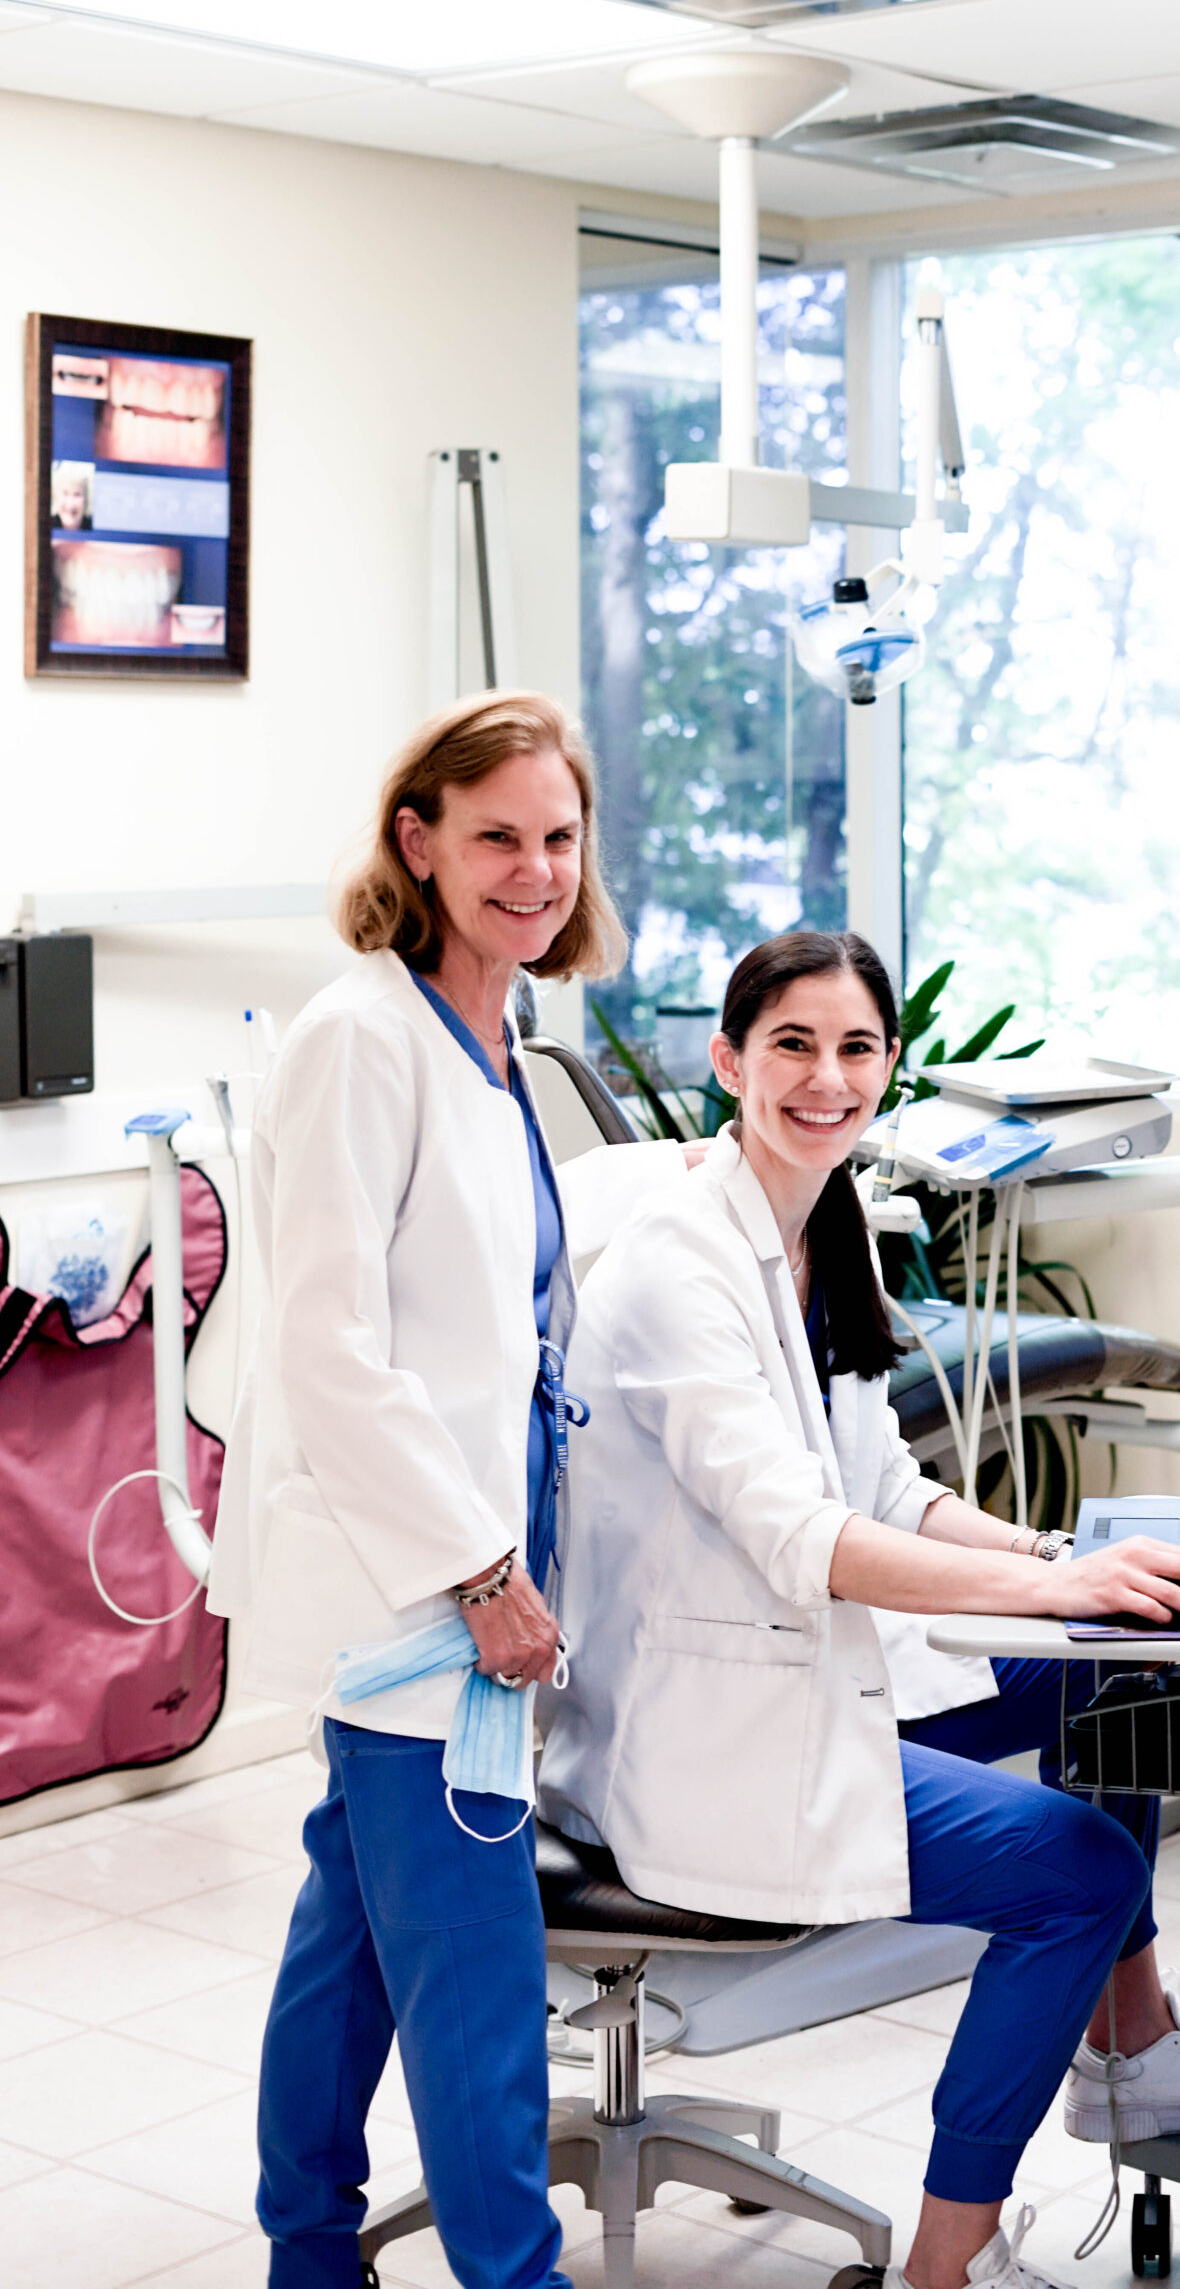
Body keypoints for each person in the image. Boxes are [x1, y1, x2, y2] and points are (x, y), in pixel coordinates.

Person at [538, 930, 1180, 2289]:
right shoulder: (678, 1267)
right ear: (729, 1060)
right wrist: (1055, 1585)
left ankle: (1134, 2052)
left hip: (811, 1668)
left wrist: (1067, 1556)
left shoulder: (825, 1226)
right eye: (792, 1046)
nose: (827, 1078)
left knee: (1127, 1668)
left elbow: (888, 1488)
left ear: (889, 1065)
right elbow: (805, 1538)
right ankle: (943, 2269)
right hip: (708, 1739)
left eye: (855, 1047)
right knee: (1078, 1875)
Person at [208, 692, 686, 2289]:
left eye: (559, 837)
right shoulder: (363, 1037)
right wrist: (483, 1574)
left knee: (352, 1941)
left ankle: (307, 2250)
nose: (536, 870)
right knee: (476, 1981)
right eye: (497, 838)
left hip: (464, 1561)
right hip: (419, 1588)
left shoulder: (497, 1044)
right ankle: (512, 2275)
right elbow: (330, 1348)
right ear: (417, 842)